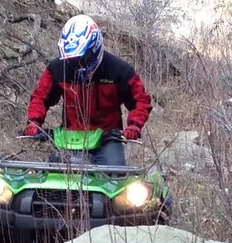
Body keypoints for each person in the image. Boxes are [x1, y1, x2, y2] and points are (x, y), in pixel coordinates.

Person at [23, 14, 152, 167]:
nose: (76, 63)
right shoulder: (58, 69)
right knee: (54, 178)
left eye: (81, 57)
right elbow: (40, 97)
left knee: (115, 177)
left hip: (107, 139)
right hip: (70, 138)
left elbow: (141, 100)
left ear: (95, 47)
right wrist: (34, 123)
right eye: (71, 59)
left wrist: (134, 126)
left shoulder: (119, 70)